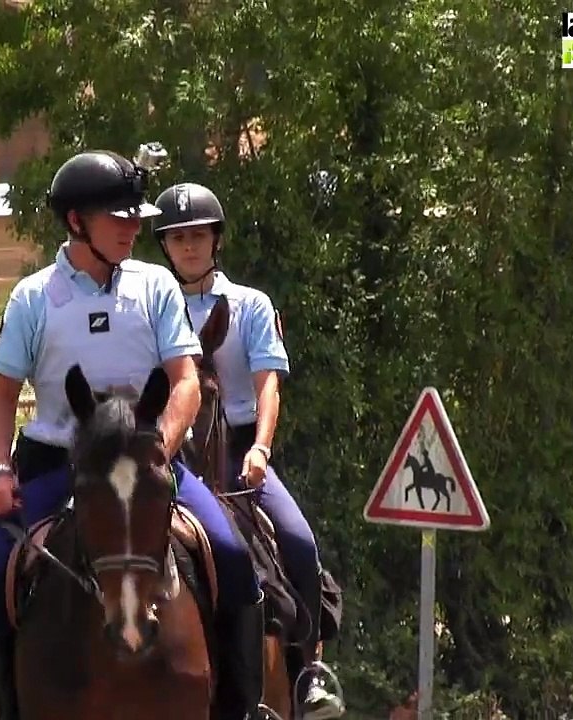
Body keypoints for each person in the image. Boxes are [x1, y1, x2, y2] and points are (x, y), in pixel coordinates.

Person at [0, 150, 269, 720]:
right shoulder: (34, 297)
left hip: (150, 459)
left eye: (137, 217)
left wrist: (160, 447)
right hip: (59, 462)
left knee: (232, 558)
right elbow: (2, 397)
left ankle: (240, 709)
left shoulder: (156, 285)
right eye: (121, 218)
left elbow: (185, 382)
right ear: (77, 222)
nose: (136, 228)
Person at [153, 181, 346, 720]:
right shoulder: (149, 304)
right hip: (171, 447)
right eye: (178, 238)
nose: (189, 246)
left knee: (299, 541)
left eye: (198, 236)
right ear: (165, 247)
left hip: (237, 443)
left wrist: (261, 448)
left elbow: (268, 385)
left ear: (216, 241)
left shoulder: (250, 305)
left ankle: (309, 673)